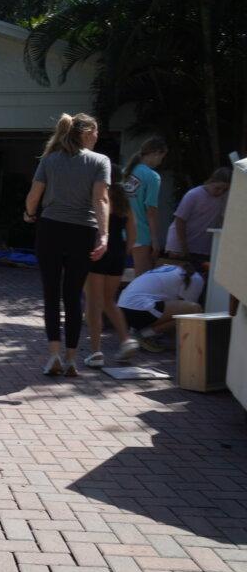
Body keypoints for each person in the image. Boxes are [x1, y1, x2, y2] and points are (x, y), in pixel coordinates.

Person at [24, 113, 111, 377]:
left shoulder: (50, 160)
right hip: (83, 231)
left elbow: (34, 195)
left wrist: (29, 214)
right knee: (73, 296)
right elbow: (101, 200)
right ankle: (72, 358)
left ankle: (53, 356)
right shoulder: (100, 161)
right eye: (96, 132)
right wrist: (104, 235)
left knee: (51, 294)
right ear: (87, 133)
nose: (98, 136)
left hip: (51, 228)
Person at [83, 178, 139, 367]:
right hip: (118, 254)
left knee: (93, 302)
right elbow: (133, 231)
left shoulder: (99, 198)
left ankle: (96, 352)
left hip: (98, 250)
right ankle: (126, 340)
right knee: (108, 300)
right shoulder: (125, 203)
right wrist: (125, 252)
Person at [117, 263, 204, 352]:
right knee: (194, 310)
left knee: (181, 312)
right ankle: (143, 335)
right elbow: (189, 309)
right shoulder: (196, 277)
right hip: (141, 310)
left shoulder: (170, 269)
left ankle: (140, 331)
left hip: (123, 311)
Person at [164, 167, 232, 263]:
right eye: (217, 188)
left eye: (225, 190)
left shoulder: (223, 198)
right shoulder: (193, 195)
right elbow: (180, 220)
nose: (220, 192)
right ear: (211, 182)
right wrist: (183, 247)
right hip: (180, 246)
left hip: (202, 248)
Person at [121, 137, 168, 275]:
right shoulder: (152, 176)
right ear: (156, 153)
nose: (161, 161)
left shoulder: (124, 172)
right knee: (142, 278)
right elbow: (151, 212)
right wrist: (155, 240)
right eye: (162, 157)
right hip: (140, 234)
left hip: (120, 231)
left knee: (114, 276)